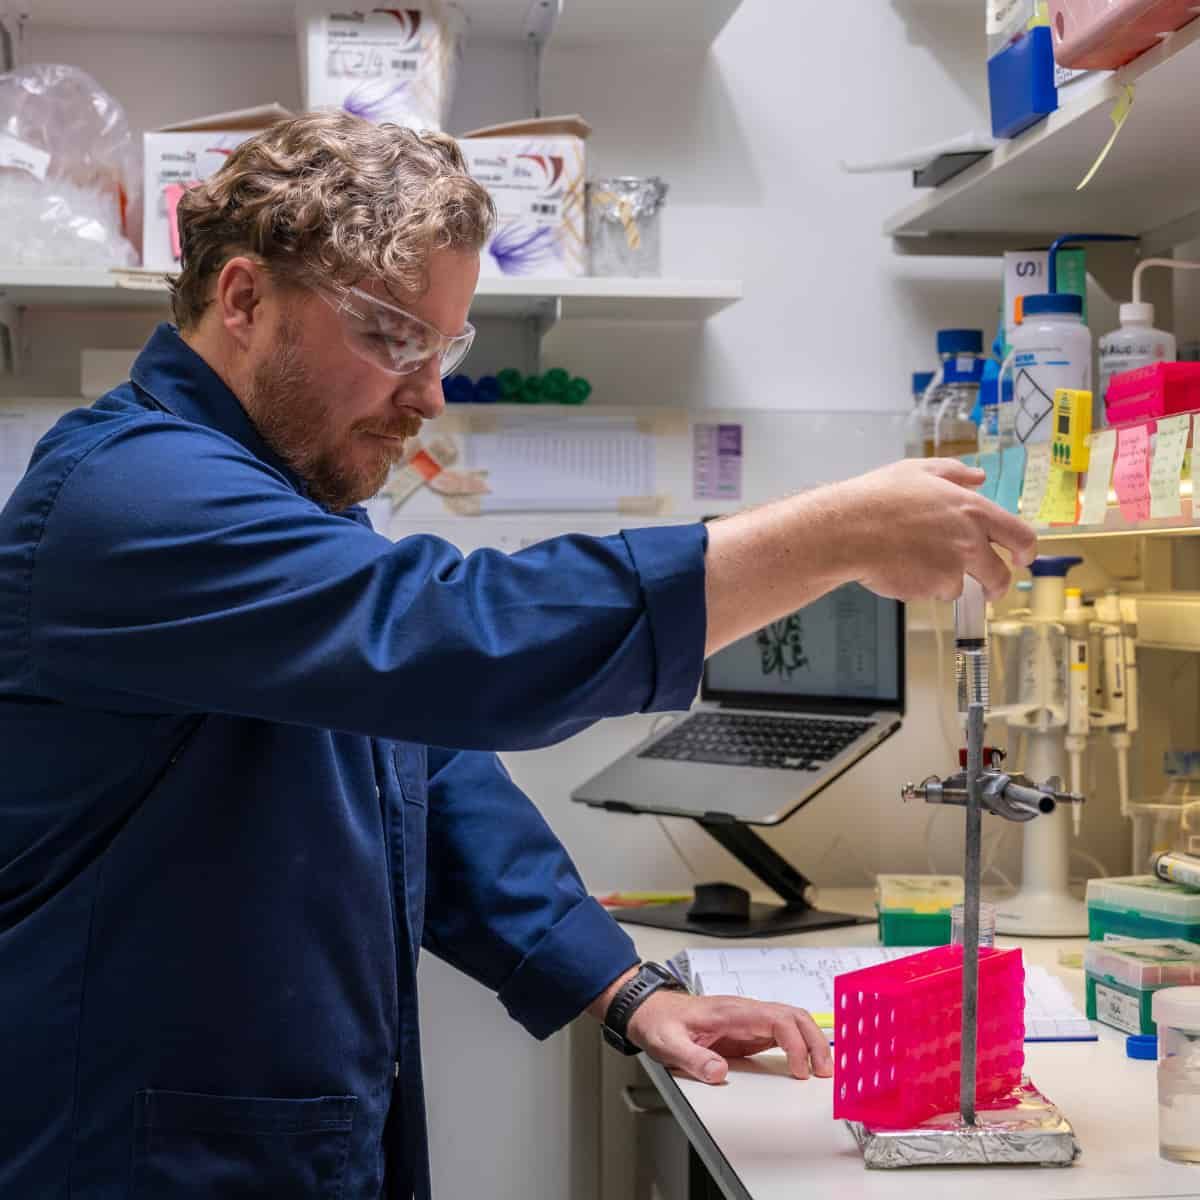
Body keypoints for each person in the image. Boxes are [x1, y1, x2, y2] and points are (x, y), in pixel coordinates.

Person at [0, 113, 1036, 1199]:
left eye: (444, 348)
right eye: (393, 338)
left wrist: (626, 986)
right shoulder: (132, 500)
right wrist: (831, 537)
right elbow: (458, 642)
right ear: (246, 300)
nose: (429, 393)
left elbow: (422, 772)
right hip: (128, 1156)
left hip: (276, 1139)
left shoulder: (284, 493)